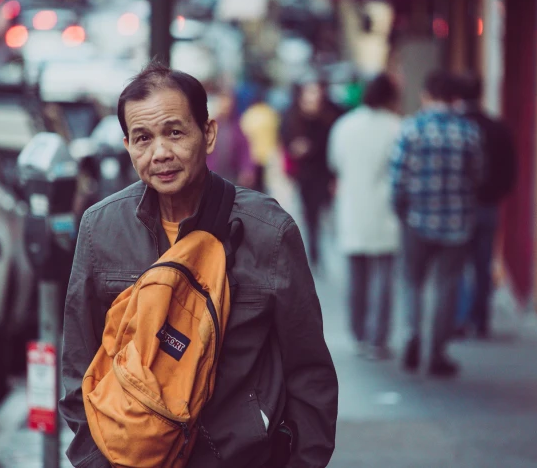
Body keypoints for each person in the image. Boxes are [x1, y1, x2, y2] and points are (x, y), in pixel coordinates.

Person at [60, 61, 339, 468]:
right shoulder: (101, 228)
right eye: (143, 138)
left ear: (207, 134)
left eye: (174, 132)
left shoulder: (269, 232)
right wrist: (99, 460)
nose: (160, 153)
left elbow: (309, 371)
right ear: (128, 147)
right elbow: (79, 367)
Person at [390, 70, 483, 377]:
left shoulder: (411, 128)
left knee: (411, 281)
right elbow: (477, 176)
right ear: (455, 98)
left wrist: (400, 208)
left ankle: (412, 336)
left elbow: (398, 176)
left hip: (417, 218)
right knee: (447, 285)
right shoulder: (469, 132)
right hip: (457, 220)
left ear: (426, 95)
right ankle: (438, 352)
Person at [327, 74, 401, 360]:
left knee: (356, 274)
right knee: (383, 274)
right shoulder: (396, 127)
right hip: (385, 209)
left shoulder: (345, 126)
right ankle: (377, 337)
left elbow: (335, 162)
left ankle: (357, 332)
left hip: (352, 205)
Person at [455, 74, 517, 339]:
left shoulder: (456, 127)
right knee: (482, 264)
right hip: (487, 205)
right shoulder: (497, 128)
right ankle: (480, 320)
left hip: (457, 206)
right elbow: (510, 170)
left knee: (456, 265)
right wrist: (495, 193)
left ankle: (459, 319)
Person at [280, 80, 342, 268]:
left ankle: (326, 244)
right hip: (305, 175)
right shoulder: (292, 117)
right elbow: (285, 138)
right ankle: (315, 251)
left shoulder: (329, 118)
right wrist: (294, 148)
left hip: (324, 172)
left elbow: (331, 145)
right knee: (310, 214)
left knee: (325, 210)